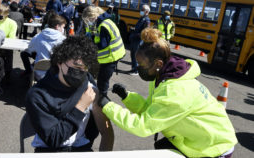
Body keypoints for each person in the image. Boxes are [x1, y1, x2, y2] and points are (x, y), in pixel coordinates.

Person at [98, 28, 237, 158]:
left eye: (142, 65)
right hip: (197, 137)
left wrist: (107, 106)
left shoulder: (175, 91)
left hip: (214, 146)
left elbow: (142, 126)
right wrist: (127, 97)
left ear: (158, 64)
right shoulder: (162, 76)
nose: (138, 68)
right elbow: (151, 109)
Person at [25, 35, 114, 152]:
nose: (81, 72)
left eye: (85, 68)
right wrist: (81, 106)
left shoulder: (89, 87)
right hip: (49, 150)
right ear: (59, 62)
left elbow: (106, 130)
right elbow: (53, 139)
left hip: (80, 147)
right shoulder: (38, 95)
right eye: (76, 66)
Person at [82, 6, 126, 97]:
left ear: (93, 16)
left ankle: (102, 99)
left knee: (103, 80)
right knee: (101, 77)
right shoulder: (104, 21)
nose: (89, 22)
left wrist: (91, 43)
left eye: (88, 19)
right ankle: (101, 96)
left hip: (111, 57)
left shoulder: (103, 26)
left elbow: (102, 45)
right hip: (114, 54)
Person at [20, 14, 66, 80]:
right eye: (62, 27)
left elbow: (30, 48)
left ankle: (29, 72)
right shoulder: (63, 40)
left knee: (26, 54)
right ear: (57, 26)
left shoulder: (38, 36)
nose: (63, 29)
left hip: (39, 74)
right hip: (56, 76)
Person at [0, 4, 17, 83]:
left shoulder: (12, 23)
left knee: (8, 54)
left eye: (1, 16)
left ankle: (7, 75)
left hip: (4, 46)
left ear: (7, 14)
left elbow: (12, 39)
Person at [129, 4, 150, 75]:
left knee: (136, 55)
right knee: (132, 54)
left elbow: (145, 31)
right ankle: (133, 68)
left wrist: (136, 34)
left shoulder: (146, 20)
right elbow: (139, 28)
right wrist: (133, 29)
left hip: (138, 40)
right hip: (135, 38)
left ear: (146, 11)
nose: (140, 11)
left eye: (142, 10)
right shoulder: (141, 18)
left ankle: (136, 70)